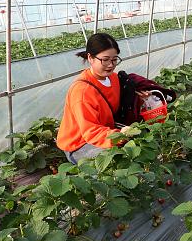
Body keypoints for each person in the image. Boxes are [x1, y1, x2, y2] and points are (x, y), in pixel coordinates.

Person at [57, 33, 149, 164]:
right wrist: (120, 135)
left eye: (114, 59)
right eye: (105, 60)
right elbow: (90, 132)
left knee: (142, 145)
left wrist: (140, 99)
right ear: (90, 58)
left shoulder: (113, 78)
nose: (111, 65)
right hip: (79, 144)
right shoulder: (82, 92)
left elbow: (120, 106)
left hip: (104, 133)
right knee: (118, 159)